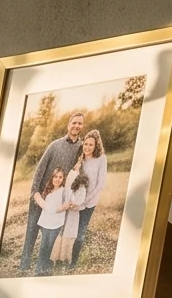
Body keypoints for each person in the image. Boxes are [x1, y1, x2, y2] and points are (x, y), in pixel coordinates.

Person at [17, 111, 91, 276]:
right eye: (74, 122)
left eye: (80, 123)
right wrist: (34, 193)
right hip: (42, 195)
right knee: (32, 230)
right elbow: (39, 170)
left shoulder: (81, 149)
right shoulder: (54, 145)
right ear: (68, 124)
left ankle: (44, 265)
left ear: (82, 126)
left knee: (50, 234)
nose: (77, 126)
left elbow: (78, 174)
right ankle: (24, 264)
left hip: (59, 199)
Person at [69, 131, 109, 270]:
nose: (87, 147)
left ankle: (72, 263)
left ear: (96, 145)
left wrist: (85, 200)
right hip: (75, 202)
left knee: (80, 233)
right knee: (71, 231)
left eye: (91, 144)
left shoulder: (101, 158)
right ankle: (63, 256)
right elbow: (73, 180)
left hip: (89, 203)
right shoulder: (80, 159)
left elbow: (101, 184)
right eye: (85, 144)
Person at [45, 166, 88, 267]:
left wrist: (76, 204)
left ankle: (64, 258)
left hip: (73, 211)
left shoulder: (82, 184)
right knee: (60, 231)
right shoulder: (67, 177)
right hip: (63, 209)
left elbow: (81, 197)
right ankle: (55, 257)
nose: (78, 164)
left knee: (69, 232)